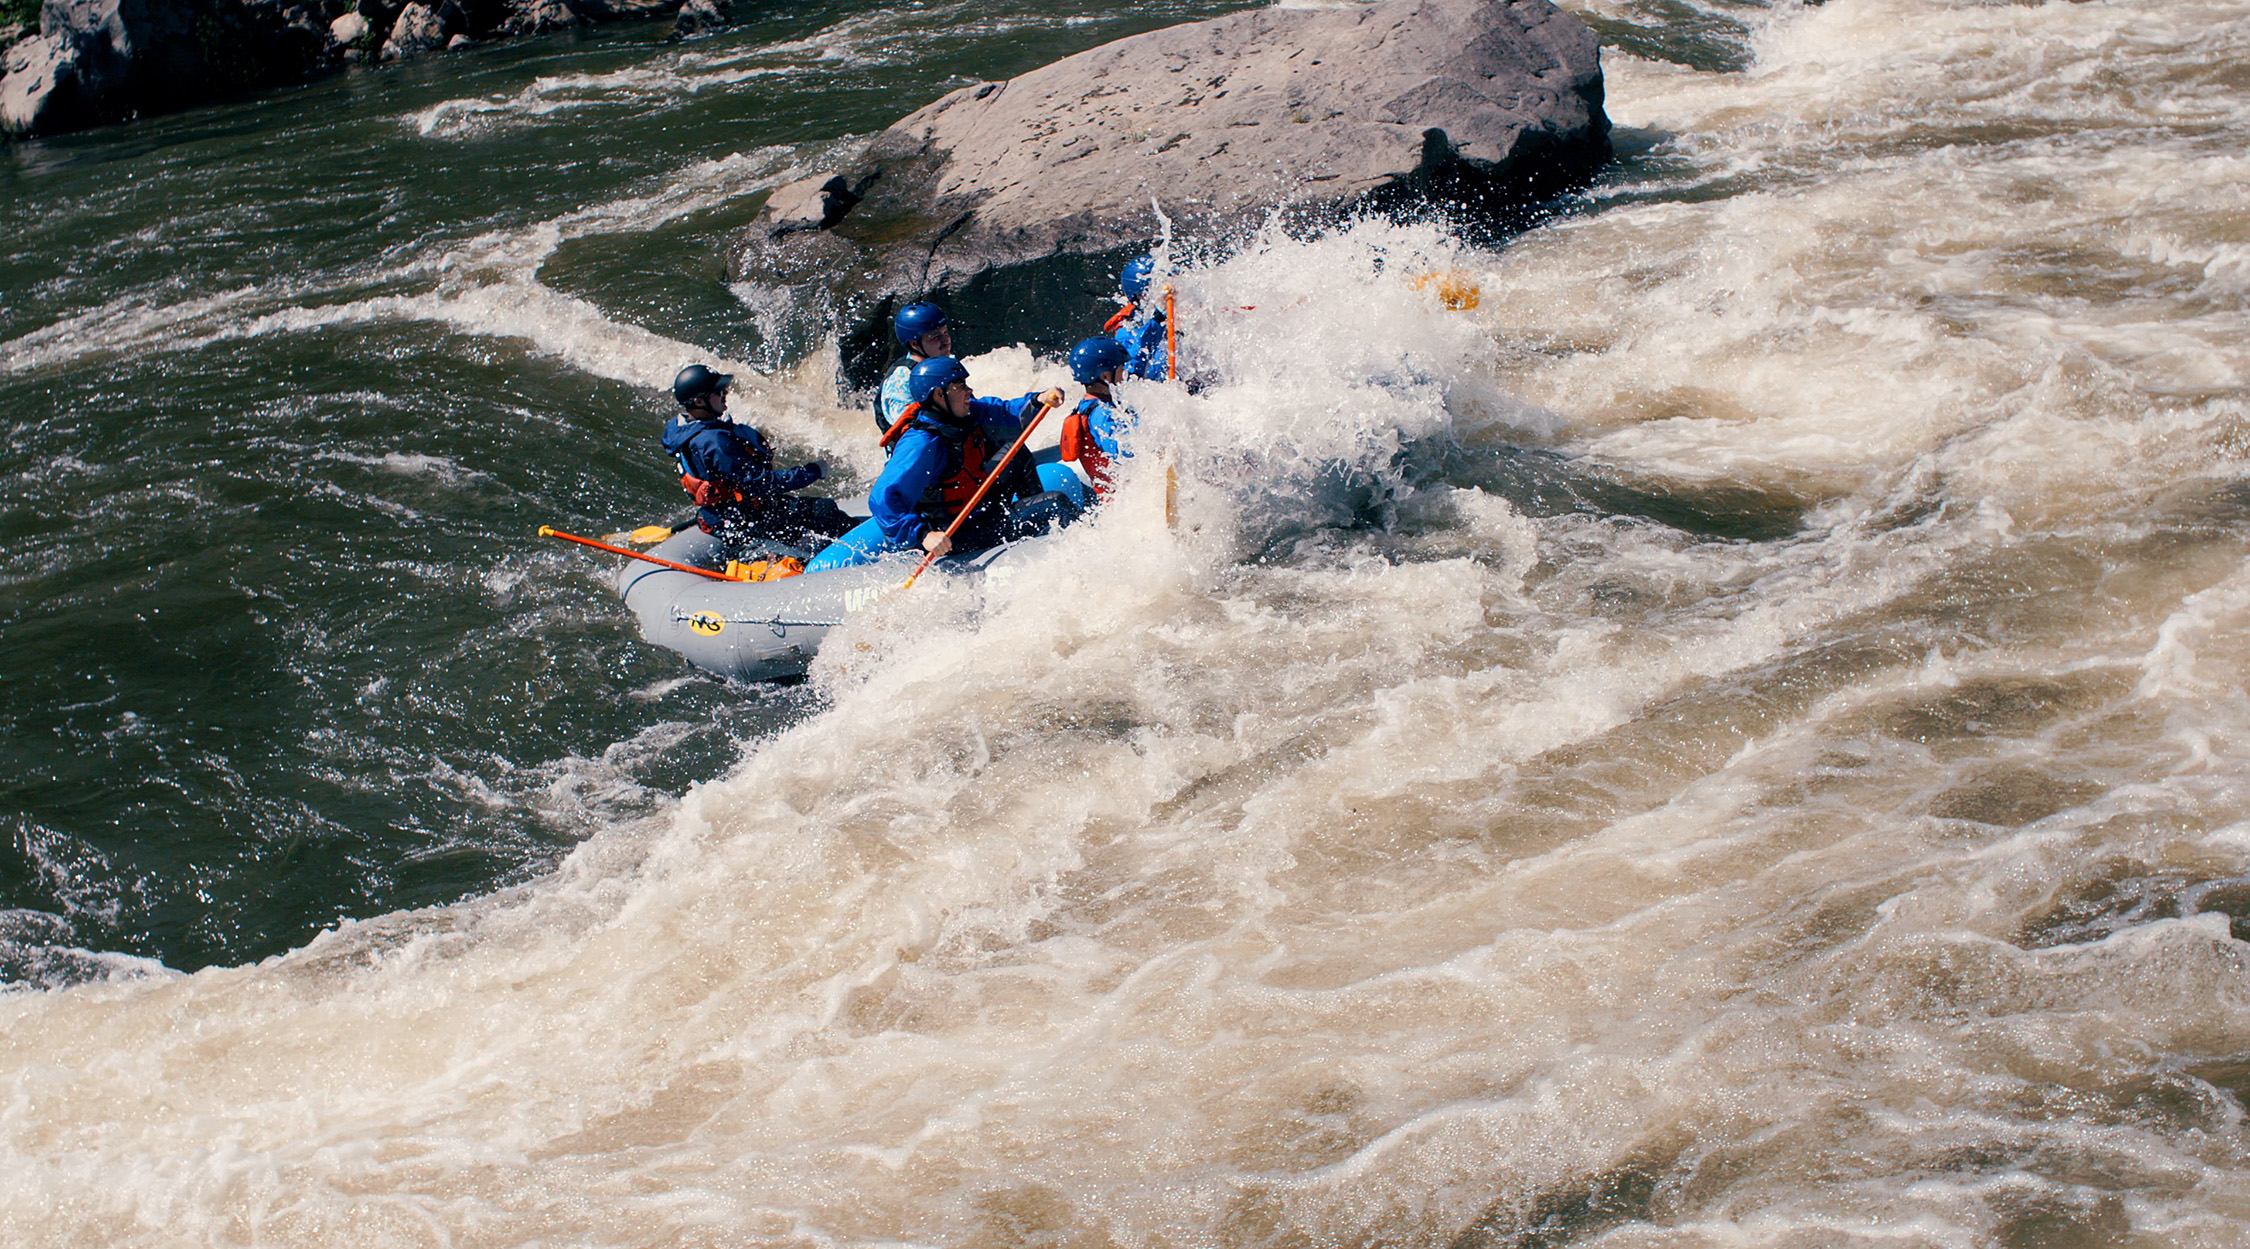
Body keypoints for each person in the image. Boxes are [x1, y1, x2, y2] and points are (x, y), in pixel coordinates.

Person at [806, 356, 1081, 572]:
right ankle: (1068, 551)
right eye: (960, 386)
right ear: (939, 395)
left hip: (980, 505)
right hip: (957, 533)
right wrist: (924, 535)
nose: (968, 391)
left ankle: (1033, 536)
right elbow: (881, 499)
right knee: (1054, 504)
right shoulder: (922, 444)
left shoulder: (960, 413)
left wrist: (1037, 399)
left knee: (1016, 453)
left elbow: (1002, 408)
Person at [661, 363, 854, 553]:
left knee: (807, 513)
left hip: (724, 515)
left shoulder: (682, 429)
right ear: (699, 402)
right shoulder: (714, 442)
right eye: (718, 392)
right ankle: (864, 548)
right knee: (824, 510)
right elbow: (763, 483)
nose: (725, 394)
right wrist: (813, 471)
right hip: (743, 520)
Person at [1059, 336, 1134, 496]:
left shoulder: (1091, 405)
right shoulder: (1102, 415)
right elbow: (1126, 455)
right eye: (1121, 371)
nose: (1125, 376)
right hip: (1121, 498)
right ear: (1106, 376)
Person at [875, 302, 953, 434]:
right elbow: (911, 432)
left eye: (945, 332)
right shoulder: (900, 382)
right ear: (914, 343)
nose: (946, 341)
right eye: (936, 336)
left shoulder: (942, 366)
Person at [1107, 255, 1173, 382]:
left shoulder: (1185, 318)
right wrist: (1158, 319)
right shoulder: (1127, 331)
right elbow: (1130, 372)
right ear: (1139, 295)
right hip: (1153, 391)